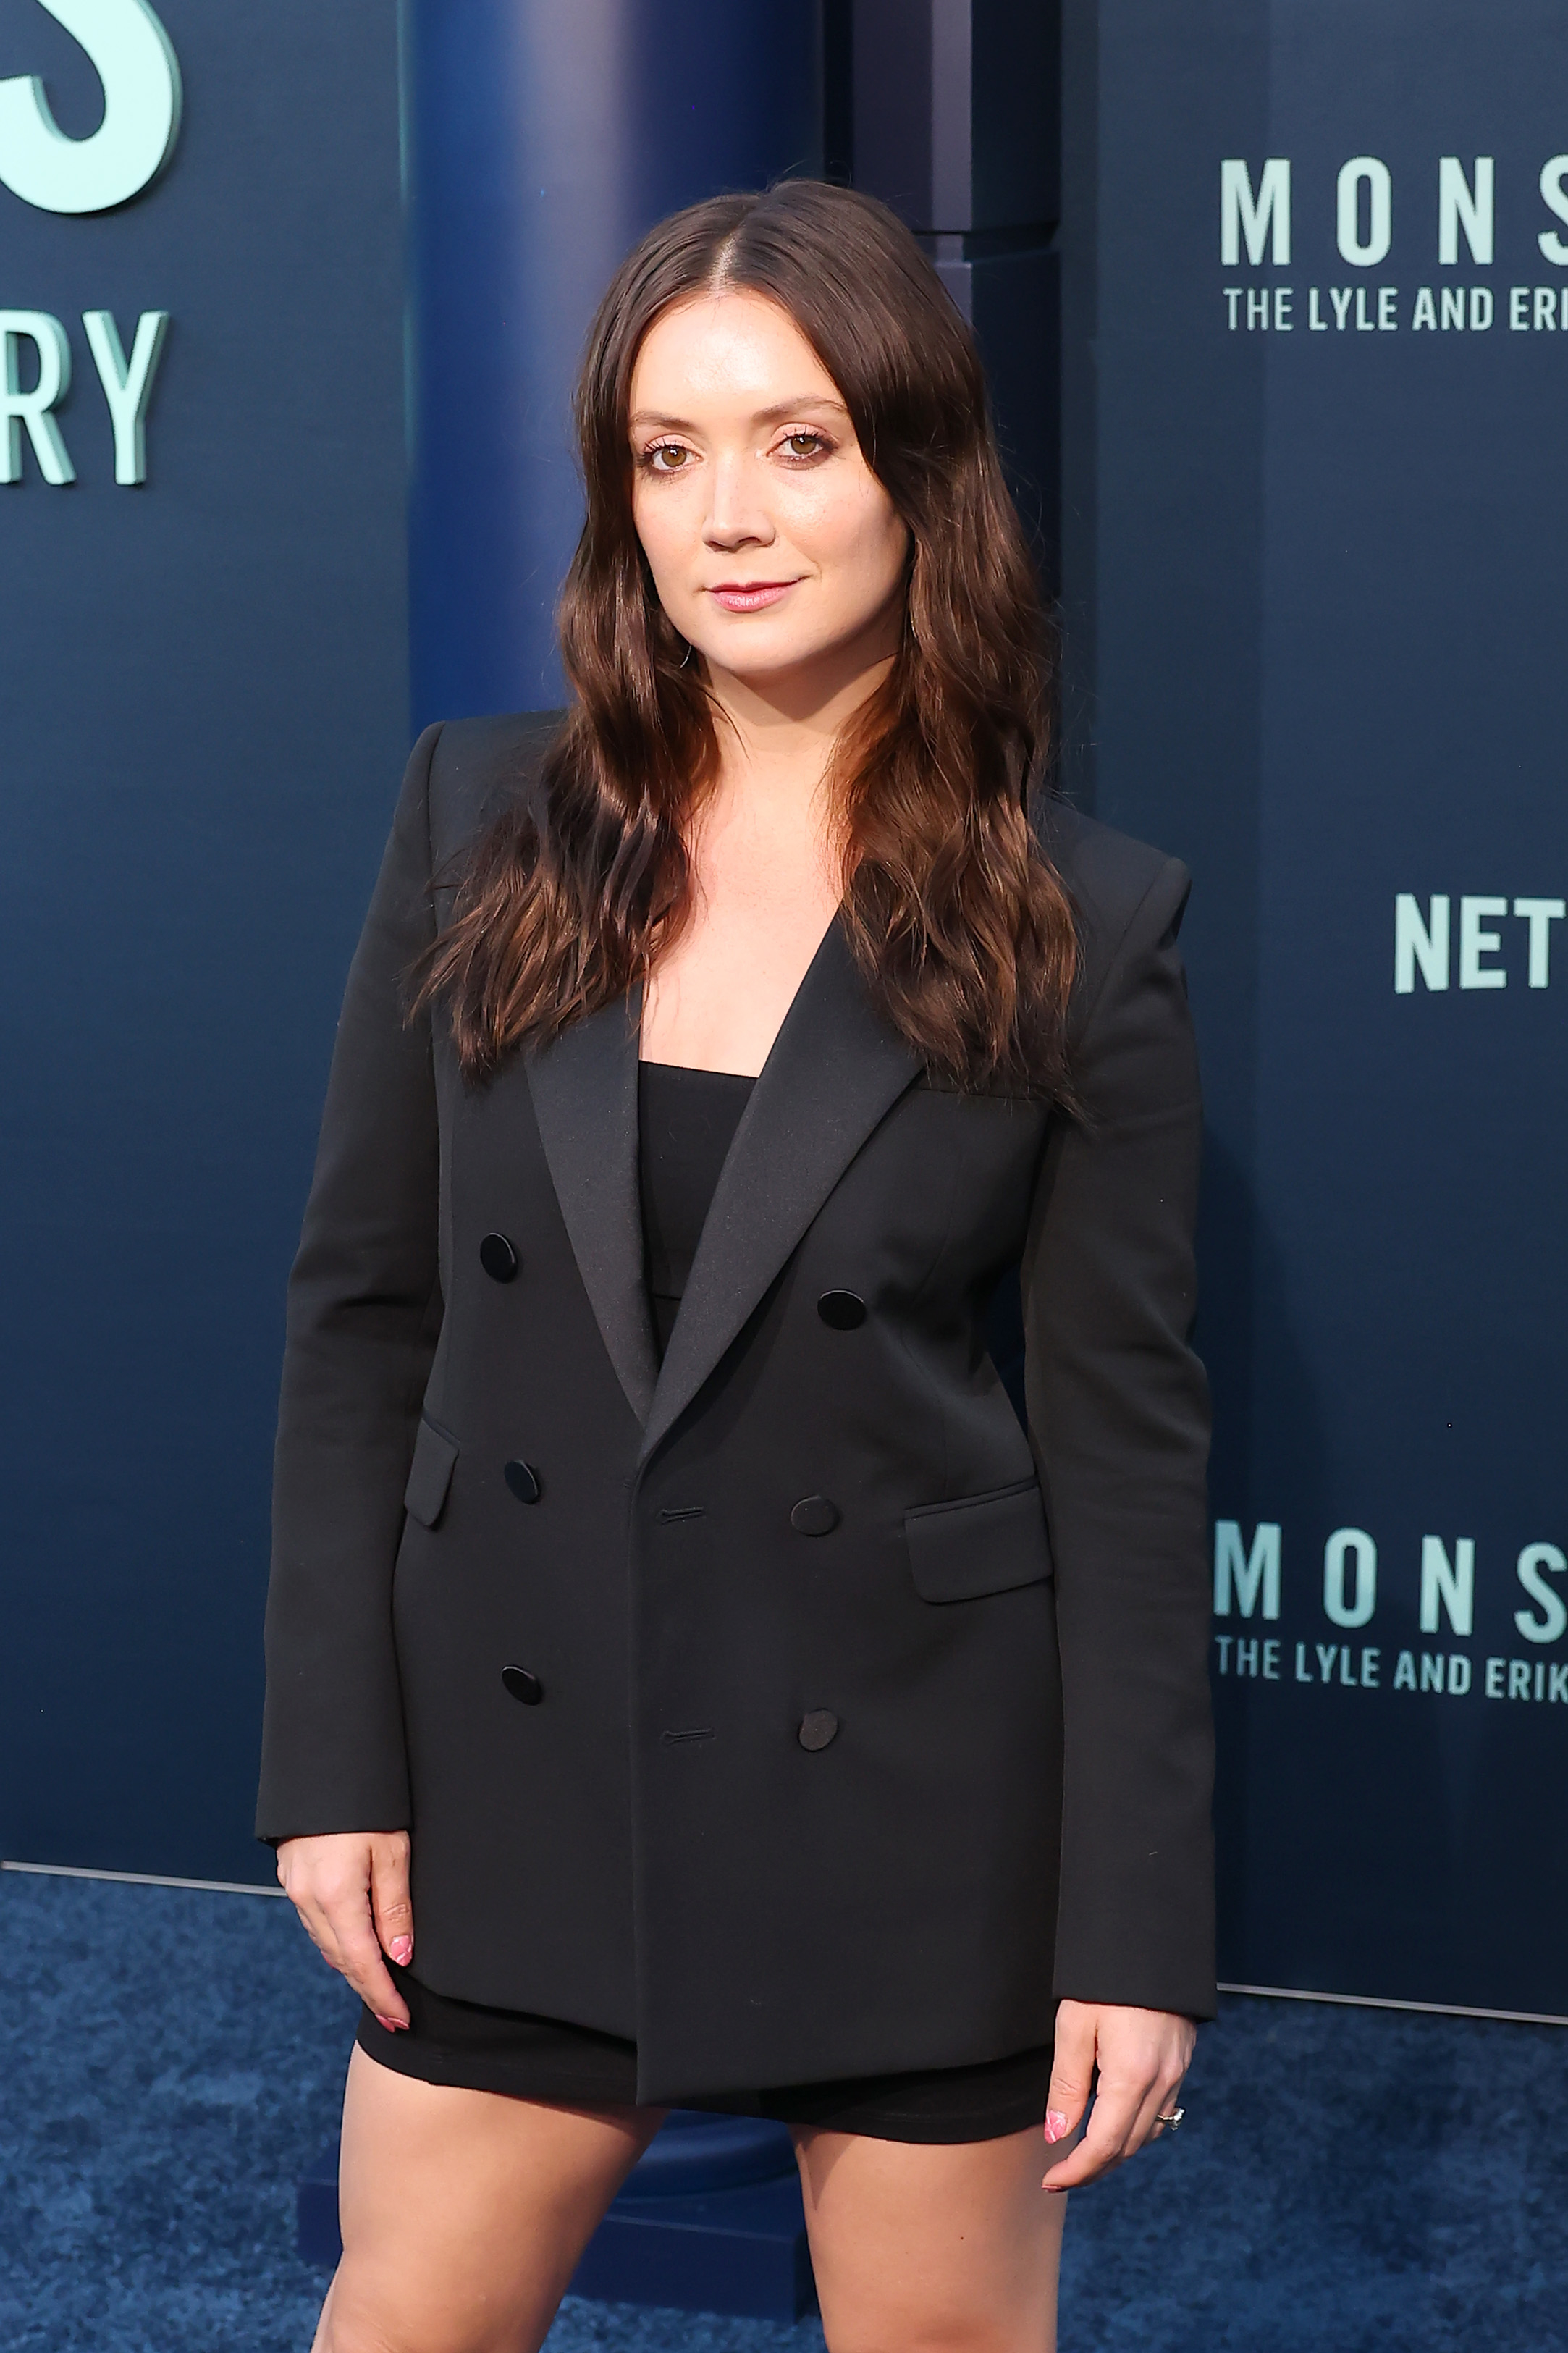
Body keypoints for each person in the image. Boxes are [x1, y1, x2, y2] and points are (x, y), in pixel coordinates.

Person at [258, 178, 1213, 2353]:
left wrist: (1134, 1927)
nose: (729, 515)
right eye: (667, 456)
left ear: (917, 470)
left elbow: (1127, 1458)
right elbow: (362, 1319)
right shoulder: (476, 819)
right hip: (517, 1762)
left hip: (905, 1791)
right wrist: (332, 1761)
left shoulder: (1084, 920)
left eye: (797, 441)